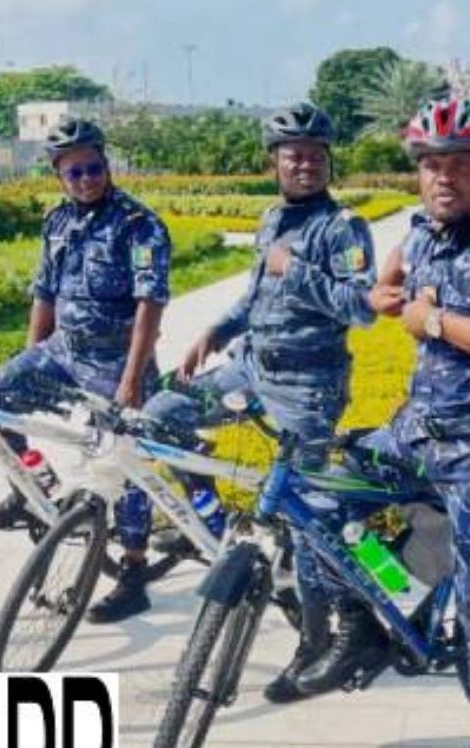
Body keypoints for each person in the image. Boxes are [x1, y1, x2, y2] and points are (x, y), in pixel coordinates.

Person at [296, 96, 470, 748]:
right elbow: (388, 287)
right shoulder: (418, 236)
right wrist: (388, 296)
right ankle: (365, 624)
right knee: (319, 499)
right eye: (431, 165)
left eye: (459, 165)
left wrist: (430, 319)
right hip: (416, 429)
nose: (444, 178)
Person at [94, 103, 384, 708]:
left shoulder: (342, 228)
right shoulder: (272, 217)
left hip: (309, 385)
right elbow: (256, 294)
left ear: (328, 161)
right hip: (250, 369)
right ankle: (211, 513)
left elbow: (360, 308)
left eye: (313, 154)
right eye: (291, 154)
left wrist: (295, 266)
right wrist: (214, 334)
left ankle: (315, 640)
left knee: (309, 520)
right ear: (274, 161)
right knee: (160, 417)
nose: (303, 163)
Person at [0, 119, 169, 564]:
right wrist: (31, 355)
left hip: (116, 361)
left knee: (123, 461)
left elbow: (150, 305)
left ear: (106, 164)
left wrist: (131, 378)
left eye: (94, 168)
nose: (86, 180)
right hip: (63, 351)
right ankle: (33, 491)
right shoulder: (57, 221)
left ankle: (134, 564)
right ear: (58, 176)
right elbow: (44, 293)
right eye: (74, 173)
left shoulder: (139, 225)